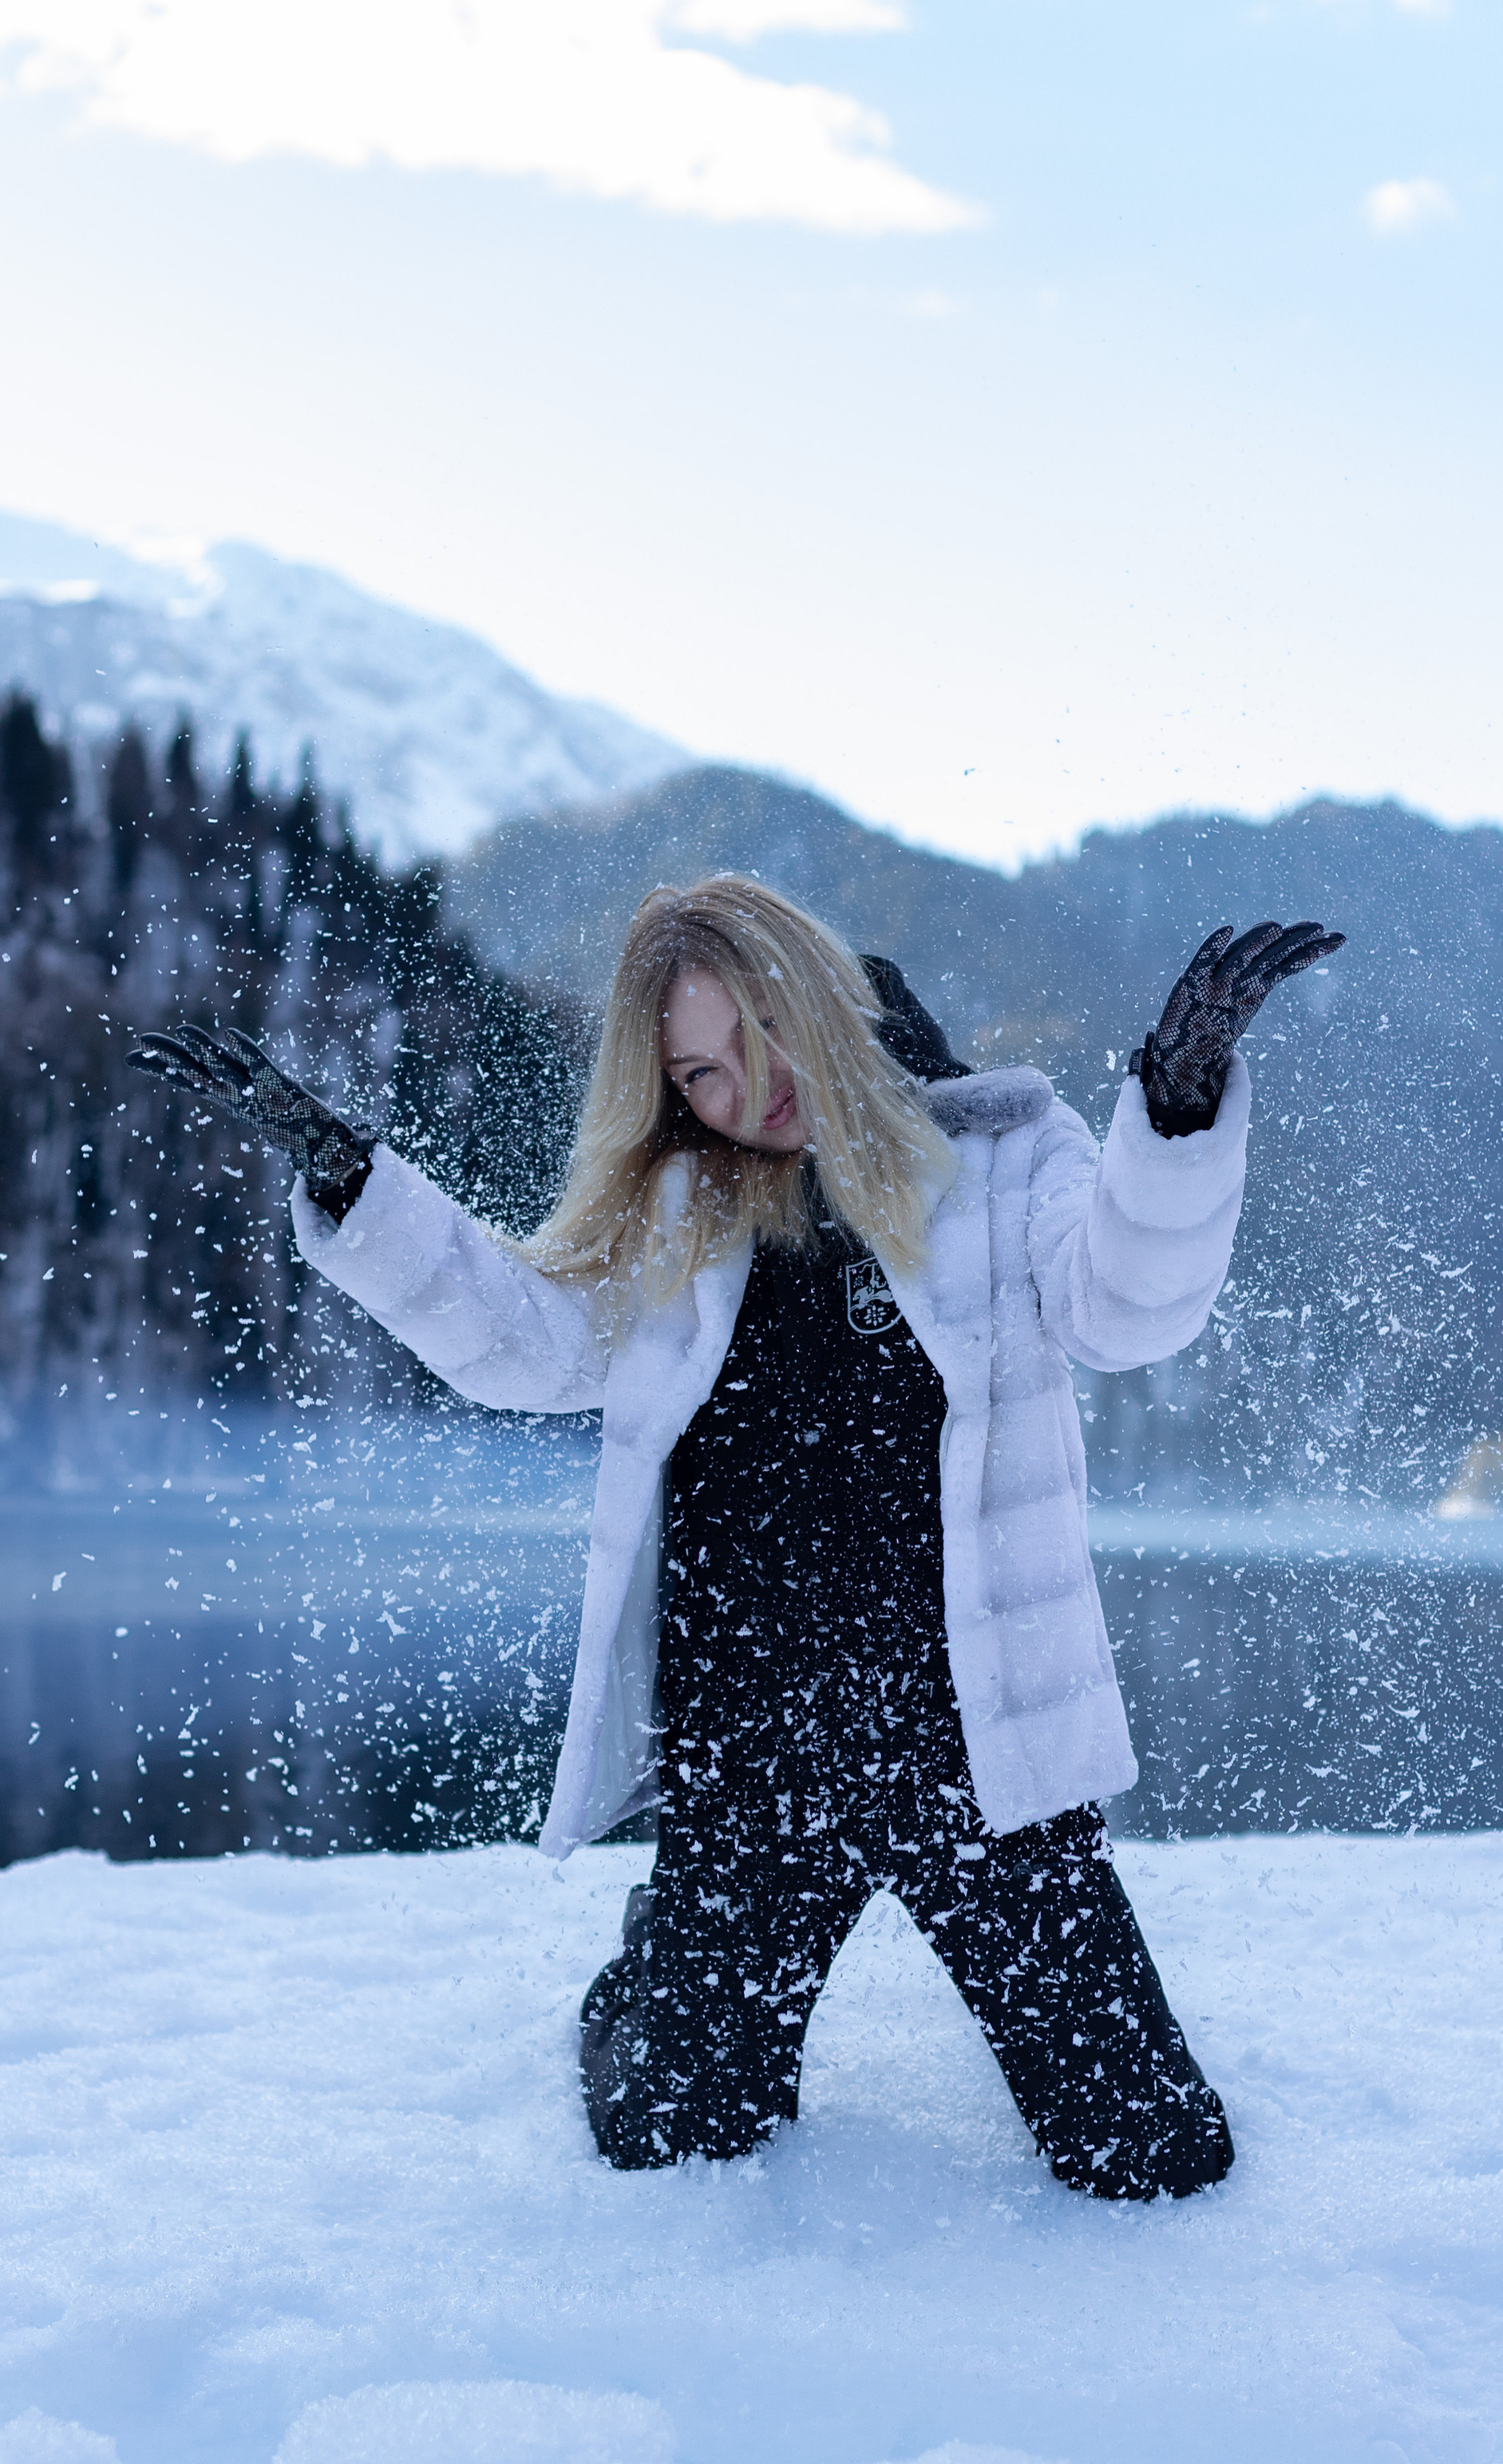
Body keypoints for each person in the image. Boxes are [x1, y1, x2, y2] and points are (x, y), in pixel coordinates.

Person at [131, 880, 1340, 2198]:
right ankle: (652, 1979)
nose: (740, 1090)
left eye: (758, 1037)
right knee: (677, 2132)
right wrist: (353, 1181)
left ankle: (697, 1965)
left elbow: (1120, 1307)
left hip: (981, 1760)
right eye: (697, 1071)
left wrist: (1169, 1117)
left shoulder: (1000, 1161)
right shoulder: (679, 1206)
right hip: (748, 1760)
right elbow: (528, 1344)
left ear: (817, 1002)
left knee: (1152, 2154)